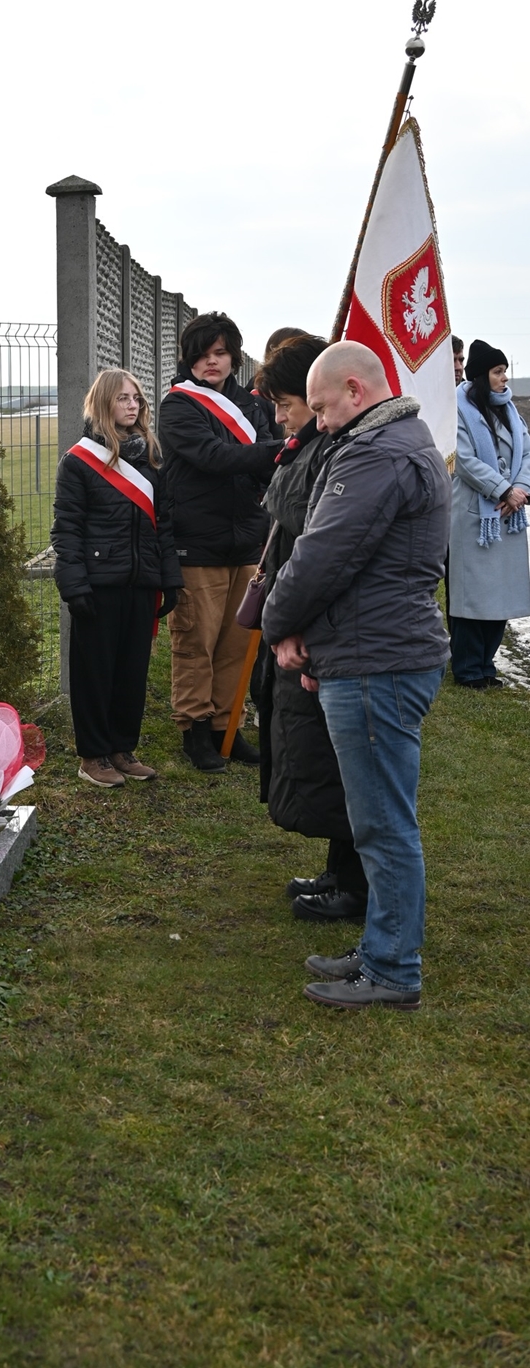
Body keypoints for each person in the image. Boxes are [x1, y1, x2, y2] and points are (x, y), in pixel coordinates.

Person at [262, 341, 450, 1011]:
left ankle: (394, 969)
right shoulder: (396, 442)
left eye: (321, 407)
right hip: (375, 653)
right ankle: (380, 949)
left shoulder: (377, 454)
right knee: (378, 820)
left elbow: (322, 555)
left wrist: (276, 622)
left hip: (379, 662)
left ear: (355, 390)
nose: (317, 422)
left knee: (382, 825)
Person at [256, 334, 369, 924]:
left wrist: (290, 624)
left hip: (318, 633)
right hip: (298, 626)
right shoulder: (307, 447)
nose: (281, 418)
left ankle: (354, 885)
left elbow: (321, 553)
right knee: (321, 757)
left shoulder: (335, 455)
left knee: (339, 763)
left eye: (288, 405)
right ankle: (338, 869)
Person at [159, 311, 281, 773]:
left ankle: (226, 727)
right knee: (197, 643)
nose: (212, 362)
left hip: (247, 541)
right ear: (189, 358)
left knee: (237, 645)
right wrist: (275, 450)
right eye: (204, 354)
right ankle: (194, 729)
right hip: (198, 545)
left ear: (234, 358)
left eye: (221, 353)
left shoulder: (253, 406)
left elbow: (264, 465)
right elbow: (214, 456)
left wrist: (269, 455)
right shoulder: (177, 407)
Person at [51, 369, 182, 787]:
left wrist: (169, 579)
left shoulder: (150, 458)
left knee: (131, 672)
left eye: (137, 398)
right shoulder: (79, 461)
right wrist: (75, 586)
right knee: (95, 674)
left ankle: (123, 749)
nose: (133, 405)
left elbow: (163, 525)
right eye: (123, 398)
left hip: (142, 583)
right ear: (103, 402)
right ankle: (93, 756)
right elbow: (67, 529)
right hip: (98, 585)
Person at [447, 339, 530, 689]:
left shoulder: (511, 411)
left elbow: (526, 453)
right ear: (482, 376)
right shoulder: (459, 408)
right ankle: (468, 669)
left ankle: (487, 665)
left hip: (508, 515)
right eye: (498, 371)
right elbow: (463, 460)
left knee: (500, 595)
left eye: (505, 371)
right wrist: (503, 490)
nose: (505, 377)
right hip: (474, 514)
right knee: (471, 597)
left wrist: (519, 489)